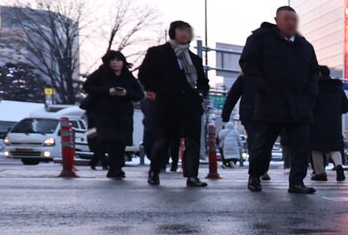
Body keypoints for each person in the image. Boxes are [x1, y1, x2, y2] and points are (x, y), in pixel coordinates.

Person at [240, 5, 320, 194]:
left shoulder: (304, 45)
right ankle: (255, 175)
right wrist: (263, 87)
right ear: (277, 20)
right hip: (271, 102)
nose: (291, 23)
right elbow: (248, 64)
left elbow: (313, 73)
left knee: (301, 144)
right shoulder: (260, 39)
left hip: (299, 104)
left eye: (294, 19)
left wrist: (310, 95)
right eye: (286, 19)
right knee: (263, 144)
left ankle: (297, 182)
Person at [138, 20, 209, 187]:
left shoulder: (194, 59)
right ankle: (154, 171)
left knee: (193, 140)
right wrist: (153, 90)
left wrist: (200, 94)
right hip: (167, 104)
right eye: (182, 31)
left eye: (188, 31)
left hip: (190, 105)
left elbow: (203, 82)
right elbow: (144, 74)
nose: (185, 34)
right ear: (173, 32)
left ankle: (192, 176)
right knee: (164, 139)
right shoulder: (158, 53)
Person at [80, 50, 144, 179]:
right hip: (105, 113)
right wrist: (107, 91)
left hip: (124, 114)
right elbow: (87, 86)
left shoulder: (128, 76)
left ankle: (115, 167)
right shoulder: (101, 74)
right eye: (113, 60)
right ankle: (115, 167)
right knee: (111, 140)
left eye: (118, 60)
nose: (116, 63)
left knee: (121, 142)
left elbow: (139, 94)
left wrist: (126, 93)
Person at [221, 73, 268, 180]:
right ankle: (262, 170)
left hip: (249, 112)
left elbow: (232, 95)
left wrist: (226, 114)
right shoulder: (269, 74)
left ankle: (257, 170)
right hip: (265, 112)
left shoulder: (245, 76)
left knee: (254, 142)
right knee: (265, 142)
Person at [310, 65, 348, 181]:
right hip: (334, 124)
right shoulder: (337, 88)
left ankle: (320, 173)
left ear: (319, 74)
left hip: (316, 123)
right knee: (334, 147)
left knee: (315, 148)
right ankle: (339, 166)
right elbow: (345, 107)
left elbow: (309, 105)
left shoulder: (314, 87)